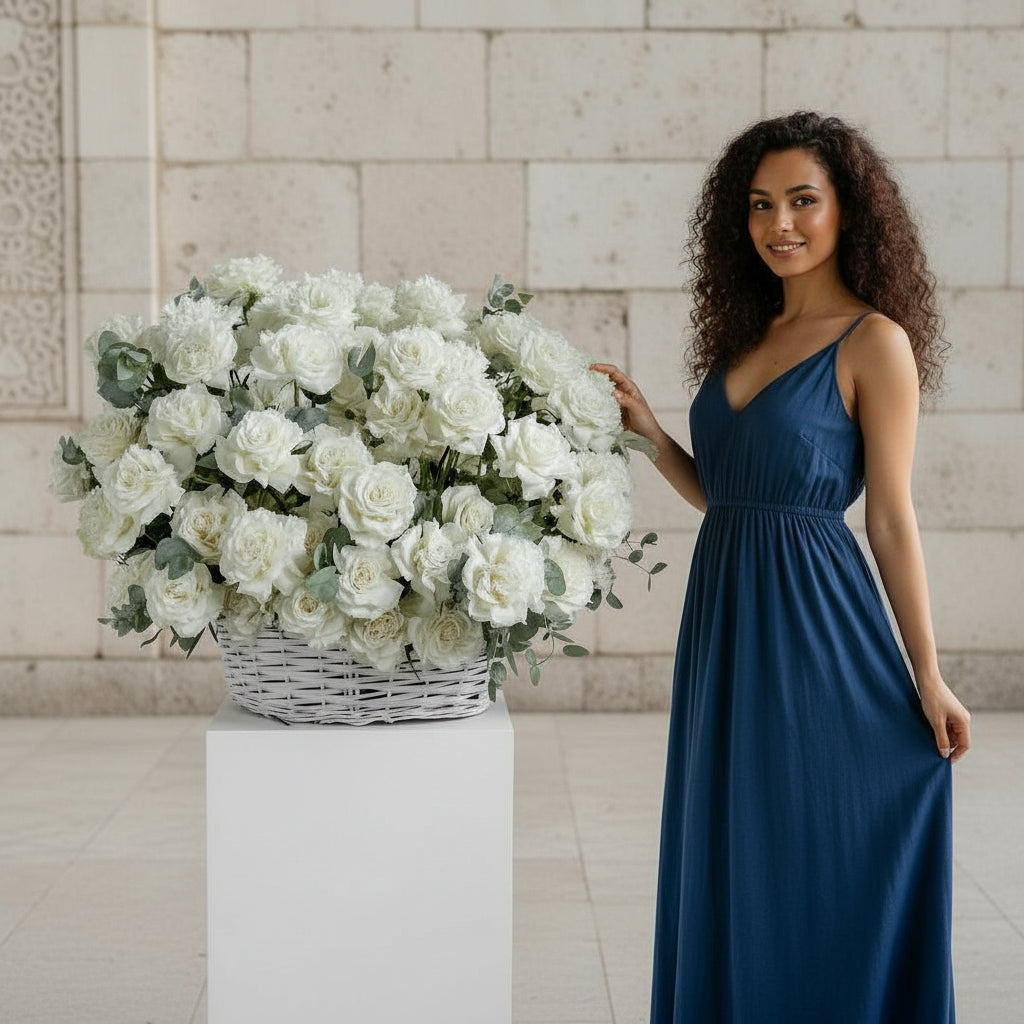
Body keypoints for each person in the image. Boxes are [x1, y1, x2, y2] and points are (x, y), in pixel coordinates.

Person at [592, 111, 971, 1023]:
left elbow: (890, 518)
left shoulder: (875, 341)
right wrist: (651, 438)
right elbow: (730, 498)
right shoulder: (745, 338)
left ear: (850, 211)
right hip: (725, 622)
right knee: (737, 840)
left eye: (804, 200)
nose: (780, 225)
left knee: (814, 832)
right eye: (761, 206)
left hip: (817, 627)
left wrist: (928, 673)